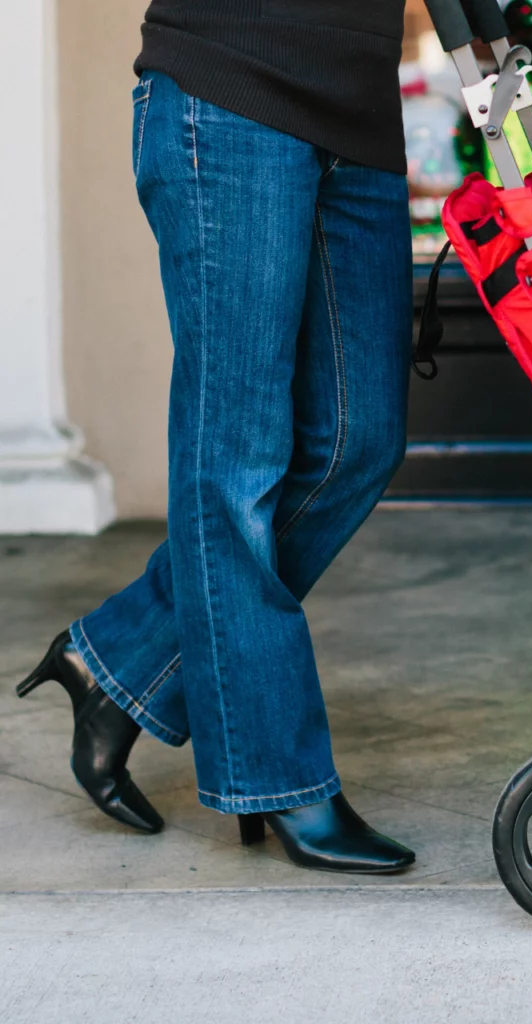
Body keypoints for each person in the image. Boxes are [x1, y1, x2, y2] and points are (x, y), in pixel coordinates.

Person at [16, 2, 417, 873]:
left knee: (360, 439)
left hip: (358, 100)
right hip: (228, 86)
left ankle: (118, 658)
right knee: (235, 462)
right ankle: (281, 781)